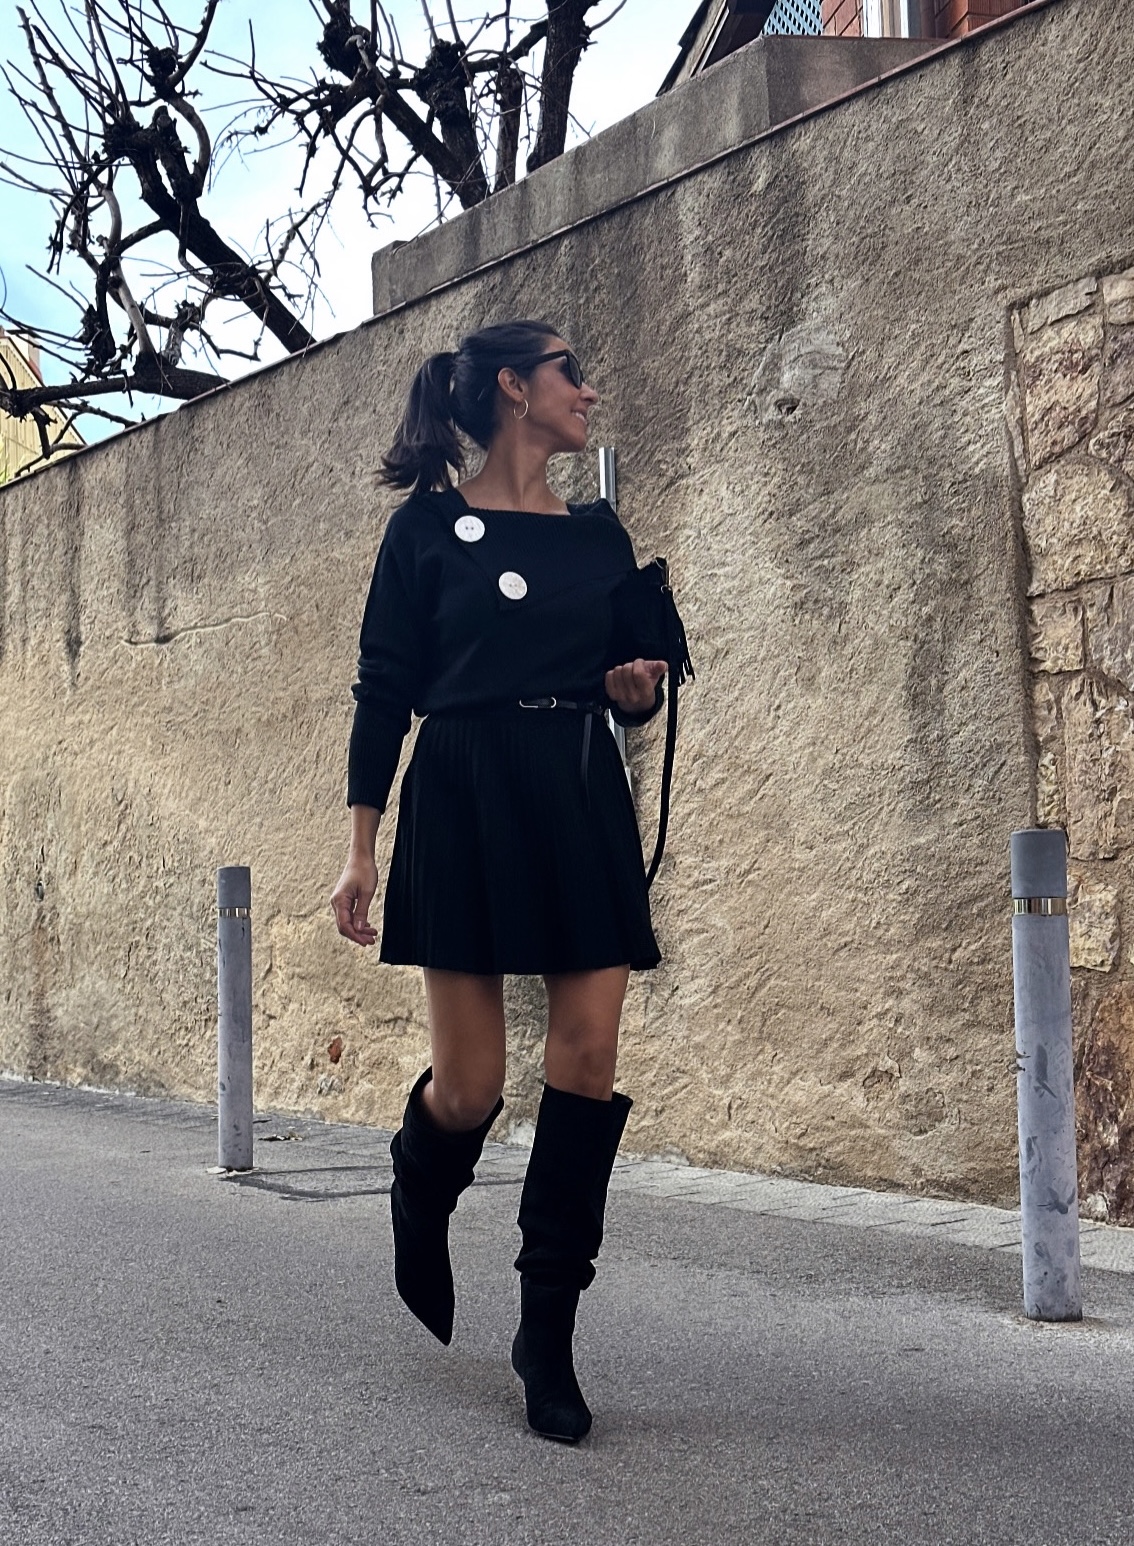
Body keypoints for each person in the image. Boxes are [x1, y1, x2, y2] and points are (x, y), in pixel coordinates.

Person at [330, 319, 668, 1444]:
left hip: (576, 789)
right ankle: (419, 1179)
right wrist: (361, 845)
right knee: (471, 1085)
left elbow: (629, 684)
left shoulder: (600, 535)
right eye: (574, 370)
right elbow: (384, 688)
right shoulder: (425, 531)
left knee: (588, 1058)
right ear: (516, 388)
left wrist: (632, 692)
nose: (589, 389)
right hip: (466, 789)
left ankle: (546, 1333)